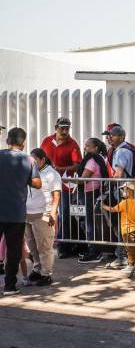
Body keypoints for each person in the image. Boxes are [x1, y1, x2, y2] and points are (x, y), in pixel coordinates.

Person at [0, 127, 42, 295]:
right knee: (13, 250)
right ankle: (10, 286)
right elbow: (38, 184)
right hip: (16, 213)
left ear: (8, 141)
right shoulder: (30, 160)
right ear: (23, 143)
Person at [40, 117, 83, 258]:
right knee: (44, 213)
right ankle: (43, 244)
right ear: (55, 127)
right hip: (45, 184)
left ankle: (64, 246)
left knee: (64, 214)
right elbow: (39, 158)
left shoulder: (73, 144)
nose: (65, 131)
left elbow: (78, 165)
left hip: (64, 185)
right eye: (62, 128)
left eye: (67, 128)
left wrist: (60, 169)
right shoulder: (47, 141)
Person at [24, 148, 62, 286]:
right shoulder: (31, 172)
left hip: (43, 213)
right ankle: (37, 268)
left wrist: (52, 212)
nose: (31, 163)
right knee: (32, 245)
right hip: (28, 213)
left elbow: (56, 195)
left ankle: (46, 273)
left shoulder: (52, 174)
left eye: (34, 161)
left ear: (42, 160)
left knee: (44, 246)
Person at [78, 138, 111, 264]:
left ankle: (94, 251)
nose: (85, 148)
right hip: (92, 192)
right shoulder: (98, 159)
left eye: (88, 146)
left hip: (90, 193)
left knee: (89, 223)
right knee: (88, 222)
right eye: (85, 146)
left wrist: (71, 180)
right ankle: (92, 249)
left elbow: (84, 178)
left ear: (95, 147)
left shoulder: (91, 161)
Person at [105, 125, 134, 268]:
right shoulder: (123, 150)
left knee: (121, 225)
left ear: (121, 137)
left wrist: (107, 182)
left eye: (112, 135)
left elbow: (119, 174)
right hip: (124, 191)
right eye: (109, 135)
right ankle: (124, 255)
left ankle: (122, 257)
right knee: (122, 225)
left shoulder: (122, 151)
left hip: (122, 192)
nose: (109, 138)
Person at [102, 182, 135, 273]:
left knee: (129, 249)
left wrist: (103, 206)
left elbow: (113, 209)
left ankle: (131, 265)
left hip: (126, 229)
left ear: (130, 190)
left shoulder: (124, 203)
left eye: (124, 189)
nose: (122, 191)